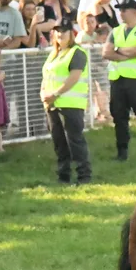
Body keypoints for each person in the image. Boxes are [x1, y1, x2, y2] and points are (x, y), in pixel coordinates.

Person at [102, 0, 136, 163]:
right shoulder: (116, 31)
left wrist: (118, 50)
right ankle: (122, 152)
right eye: (120, 10)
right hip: (118, 80)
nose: (121, 13)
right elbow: (106, 52)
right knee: (119, 117)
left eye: (124, 10)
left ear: (133, 11)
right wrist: (126, 53)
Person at [40, 17, 91, 184]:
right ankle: (63, 176)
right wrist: (43, 93)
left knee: (75, 141)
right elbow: (47, 77)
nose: (60, 34)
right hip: (52, 104)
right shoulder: (54, 54)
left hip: (70, 104)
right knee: (59, 142)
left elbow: (74, 77)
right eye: (57, 31)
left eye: (64, 31)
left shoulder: (77, 52)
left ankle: (84, 175)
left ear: (71, 33)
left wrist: (56, 93)